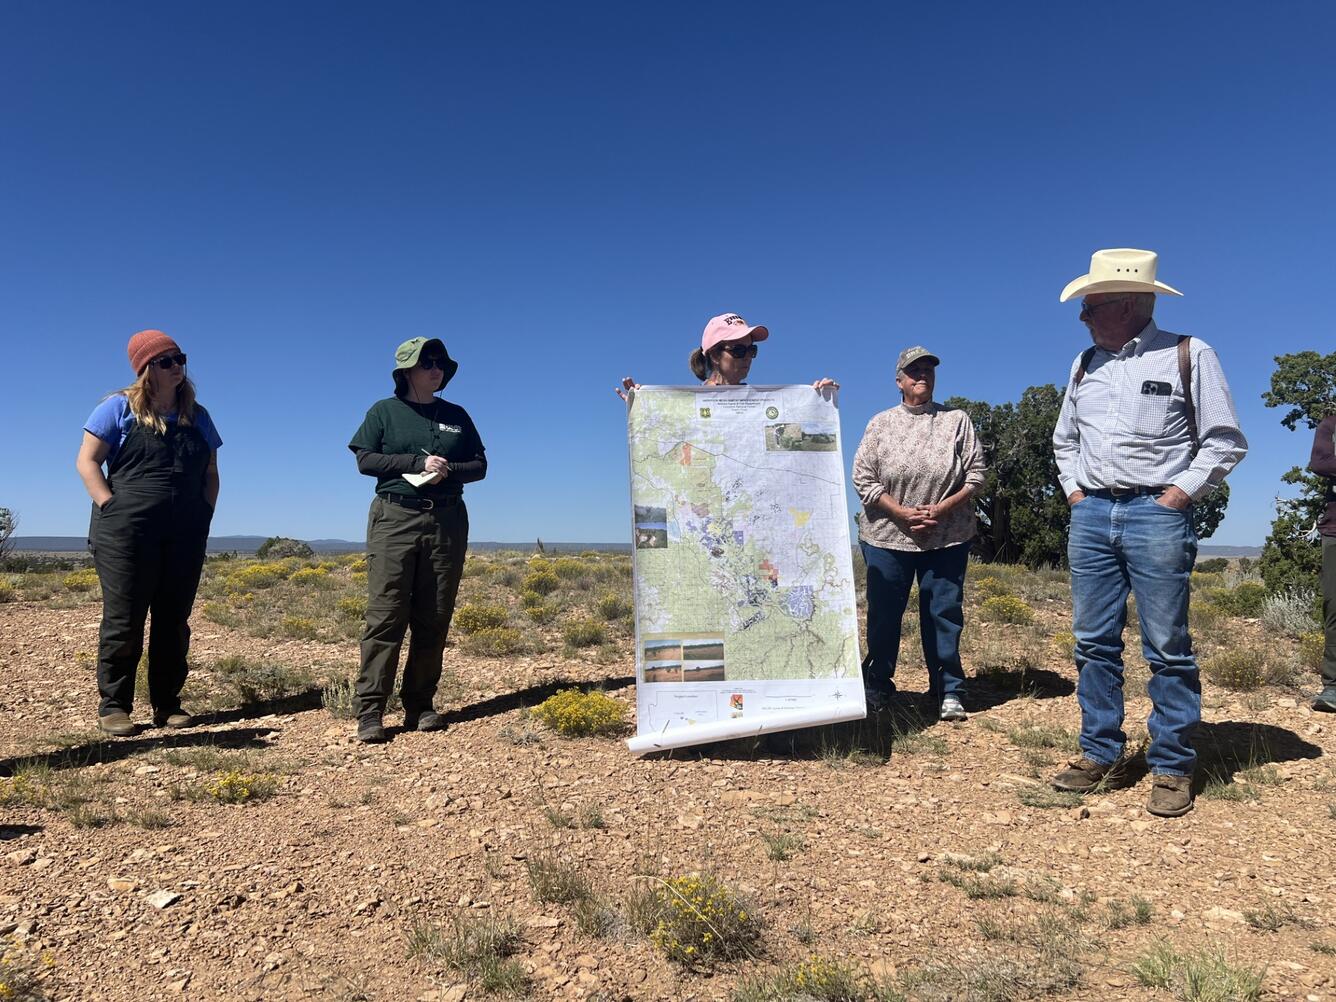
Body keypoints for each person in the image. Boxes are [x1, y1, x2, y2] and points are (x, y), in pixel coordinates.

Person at [1051, 248, 1247, 817]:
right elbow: (1065, 439)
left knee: (1166, 646)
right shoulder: (1084, 363)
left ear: (1131, 303)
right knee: (1092, 642)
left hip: (1156, 515)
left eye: (1091, 306)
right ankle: (1100, 753)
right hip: (1091, 516)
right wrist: (1075, 492)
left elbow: (1224, 439)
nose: (1082, 317)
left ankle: (1171, 764)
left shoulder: (1189, 353)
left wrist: (1176, 496)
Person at [76, 330, 221, 736]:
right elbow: (87, 462)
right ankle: (114, 705)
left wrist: (204, 515)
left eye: (179, 359)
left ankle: (167, 704)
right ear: (145, 369)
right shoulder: (117, 409)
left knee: (174, 619)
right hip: (126, 532)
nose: (177, 367)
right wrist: (109, 504)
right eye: (166, 361)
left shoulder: (199, 415)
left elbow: (210, 473)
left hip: (185, 532)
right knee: (125, 618)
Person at [347, 337, 486, 743]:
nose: (435, 369)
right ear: (406, 371)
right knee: (386, 613)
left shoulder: (457, 415)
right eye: (426, 363)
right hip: (395, 517)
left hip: (446, 519)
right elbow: (365, 460)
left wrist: (448, 470)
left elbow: (479, 466)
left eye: (440, 363)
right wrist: (415, 463)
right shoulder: (384, 412)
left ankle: (420, 704)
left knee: (435, 613)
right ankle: (370, 709)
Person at [851, 346, 985, 721]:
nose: (921, 375)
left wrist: (940, 510)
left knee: (943, 612)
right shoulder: (880, 423)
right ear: (899, 381)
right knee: (883, 614)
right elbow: (863, 478)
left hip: (947, 536)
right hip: (886, 536)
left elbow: (976, 475)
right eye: (913, 371)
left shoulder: (956, 420)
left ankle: (948, 690)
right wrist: (902, 514)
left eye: (928, 370)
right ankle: (877, 685)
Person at [616, 312, 838, 396]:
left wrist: (818, 400)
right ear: (714, 355)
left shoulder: (762, 402)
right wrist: (642, 408)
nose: (747, 357)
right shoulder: (689, 404)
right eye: (739, 350)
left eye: (751, 350)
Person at [1309, 412, 1336, 711]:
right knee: (1334, 605)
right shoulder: (1331, 424)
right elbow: (1321, 462)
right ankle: (1333, 686)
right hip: (1334, 529)